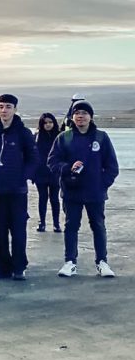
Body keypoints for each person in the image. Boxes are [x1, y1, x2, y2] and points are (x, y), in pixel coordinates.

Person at [48, 102, 119, 278]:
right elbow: (52, 162)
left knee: (98, 226)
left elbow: (112, 166)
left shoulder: (101, 137)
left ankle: (102, 262)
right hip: (72, 191)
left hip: (95, 192)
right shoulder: (64, 138)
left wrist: (103, 183)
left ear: (91, 117)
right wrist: (67, 168)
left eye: (85, 113)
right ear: (72, 117)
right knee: (71, 226)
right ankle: (70, 262)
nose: (81, 116)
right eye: (77, 113)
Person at [0, 94, 38, 281]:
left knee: (18, 229)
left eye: (8, 107)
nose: (4, 110)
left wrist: (22, 176)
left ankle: (19, 265)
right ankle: (4, 264)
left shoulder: (23, 134)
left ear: (15, 109)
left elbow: (33, 159)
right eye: (1, 106)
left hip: (17, 191)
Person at [34, 113, 62, 232]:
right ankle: (42, 222)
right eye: (45, 123)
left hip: (54, 172)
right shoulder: (37, 136)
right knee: (42, 198)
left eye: (50, 122)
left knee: (54, 198)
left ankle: (56, 223)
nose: (48, 125)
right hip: (40, 172)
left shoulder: (59, 136)